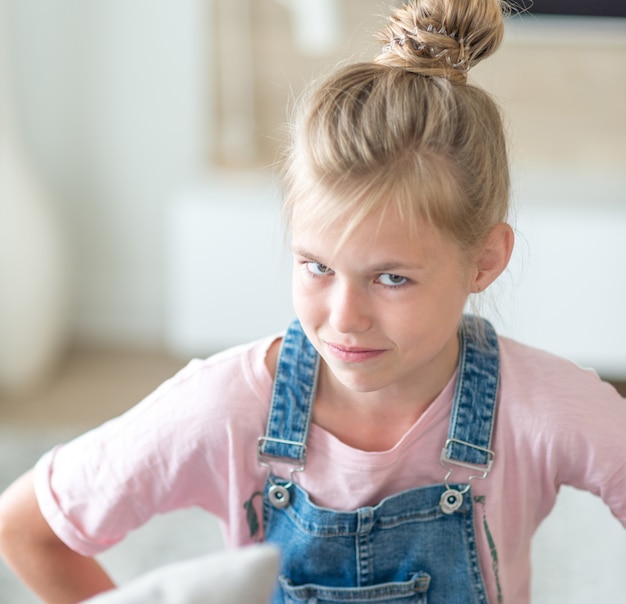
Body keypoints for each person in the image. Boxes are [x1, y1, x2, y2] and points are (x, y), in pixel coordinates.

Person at [1, 0, 624, 602]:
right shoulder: (225, 408)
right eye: (318, 267)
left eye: (392, 278)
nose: (343, 318)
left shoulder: (540, 409)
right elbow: (25, 528)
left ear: (485, 260)